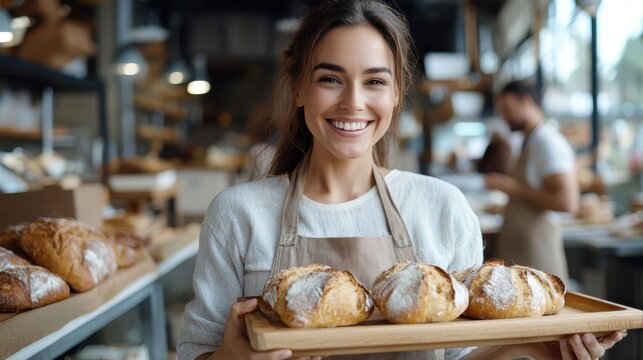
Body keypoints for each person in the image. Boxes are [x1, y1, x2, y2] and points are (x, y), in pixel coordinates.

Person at [178, 2, 624, 359]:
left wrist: (531, 344)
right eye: (330, 78)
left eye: (374, 81)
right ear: (298, 89)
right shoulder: (239, 213)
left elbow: (460, 356)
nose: (353, 102)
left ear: (395, 96)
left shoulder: (441, 207)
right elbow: (196, 352)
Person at [485, 80, 578, 282]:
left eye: (507, 109)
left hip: (540, 256)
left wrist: (513, 188)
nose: (504, 117)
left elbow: (567, 201)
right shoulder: (530, 141)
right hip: (525, 256)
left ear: (526, 102)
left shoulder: (547, 142)